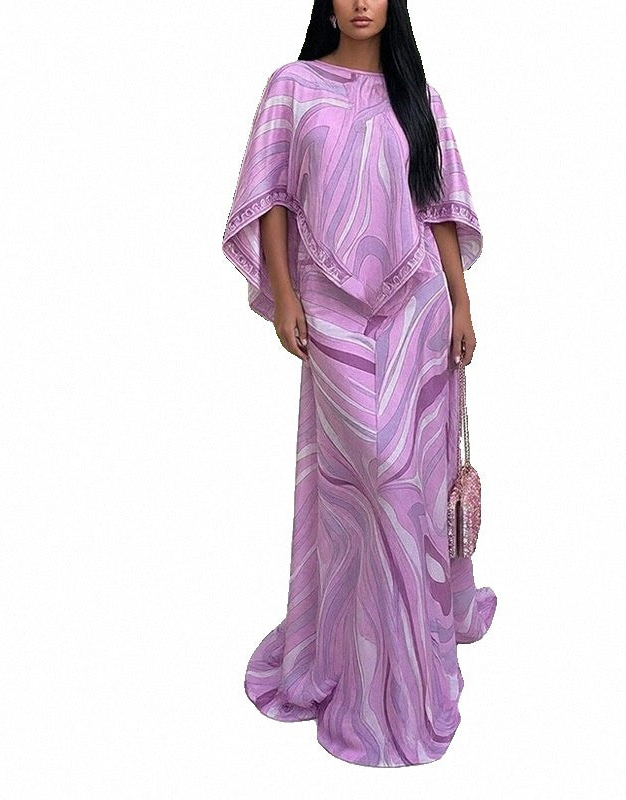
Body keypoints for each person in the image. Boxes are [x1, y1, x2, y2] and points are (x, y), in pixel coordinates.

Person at [221, 0, 497, 767]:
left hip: (419, 311)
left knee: (408, 483)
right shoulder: (292, 86)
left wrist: (462, 302)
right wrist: (284, 295)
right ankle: (352, 661)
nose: (361, 1)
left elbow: (438, 208)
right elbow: (272, 197)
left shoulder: (420, 96)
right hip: (329, 308)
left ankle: (410, 667)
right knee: (369, 477)